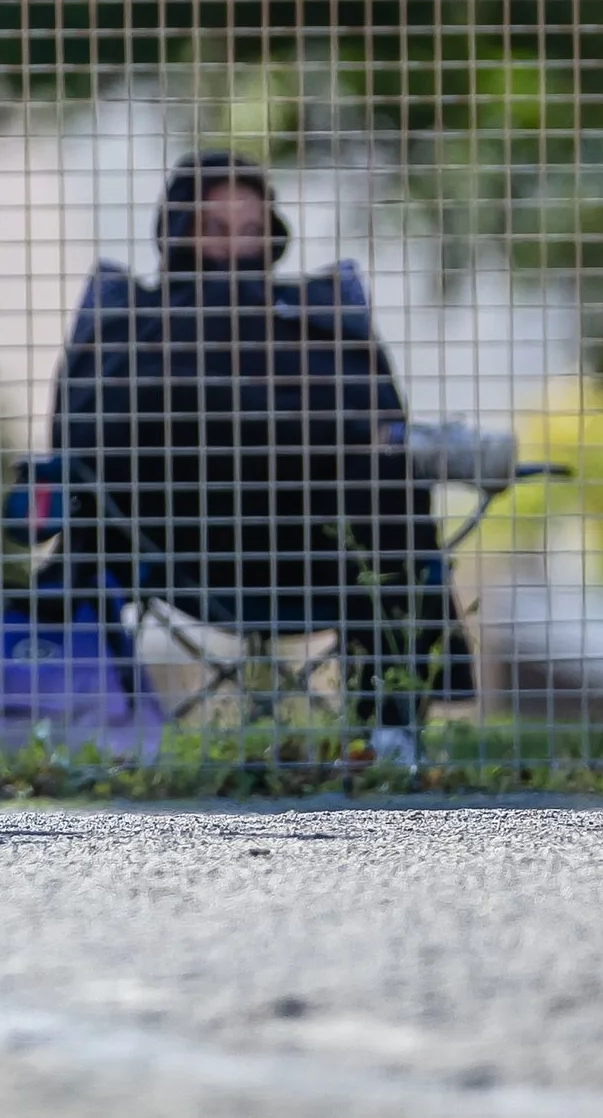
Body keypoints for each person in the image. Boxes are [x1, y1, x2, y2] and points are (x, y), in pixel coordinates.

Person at [47, 149, 466, 755]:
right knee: (86, 510)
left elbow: (382, 425)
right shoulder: (130, 327)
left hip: (311, 554)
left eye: (250, 231)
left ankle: (389, 731)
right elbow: (76, 439)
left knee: (391, 489)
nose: (234, 249)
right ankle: (88, 734)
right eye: (215, 230)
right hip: (165, 549)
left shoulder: (319, 328)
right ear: (177, 232)